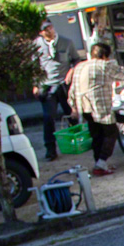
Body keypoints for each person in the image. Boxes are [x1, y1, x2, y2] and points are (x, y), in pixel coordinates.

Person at [68, 43, 124, 176]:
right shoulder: (104, 65)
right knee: (111, 132)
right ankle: (101, 163)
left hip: (84, 107)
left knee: (97, 135)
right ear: (105, 55)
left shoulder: (80, 66)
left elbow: (72, 89)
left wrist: (73, 107)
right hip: (99, 106)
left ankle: (99, 163)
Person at [33, 20, 78, 161]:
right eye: (45, 29)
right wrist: (35, 84)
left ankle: (75, 143)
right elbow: (34, 66)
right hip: (47, 86)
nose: (49, 31)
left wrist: (72, 71)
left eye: (50, 27)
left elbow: (76, 59)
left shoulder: (66, 42)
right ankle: (51, 150)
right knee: (48, 118)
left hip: (64, 84)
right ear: (41, 32)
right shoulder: (36, 45)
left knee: (71, 114)